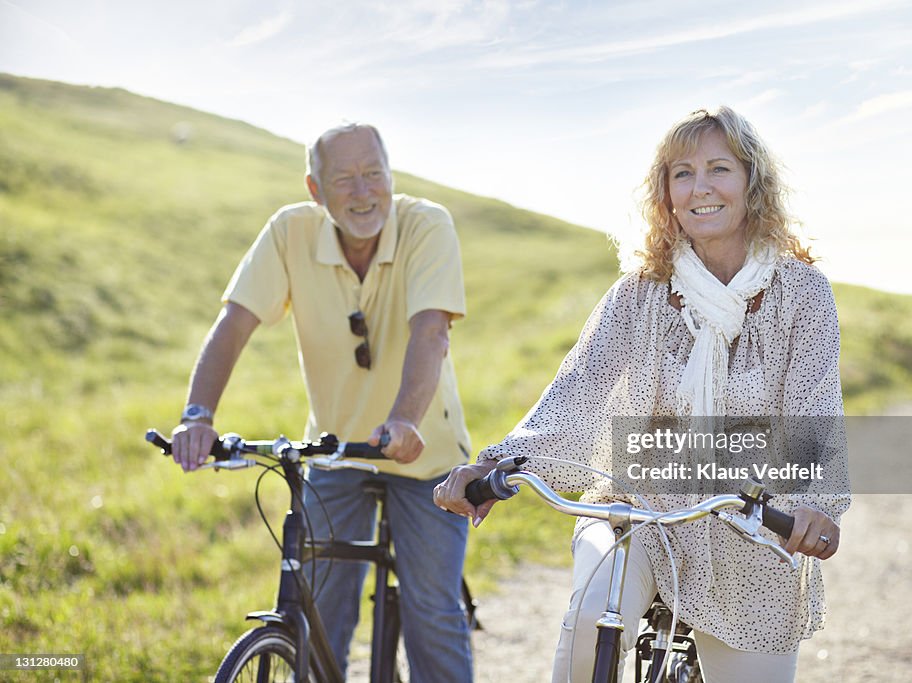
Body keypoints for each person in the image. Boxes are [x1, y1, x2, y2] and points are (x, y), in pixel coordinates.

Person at [434, 106, 850, 683]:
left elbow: (813, 410)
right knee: (588, 627)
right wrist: (497, 466)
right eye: (682, 173)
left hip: (751, 526)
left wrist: (816, 504)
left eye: (718, 169)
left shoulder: (801, 295)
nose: (700, 187)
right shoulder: (638, 294)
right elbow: (577, 390)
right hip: (640, 509)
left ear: (752, 183)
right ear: (667, 195)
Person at [171, 123, 474, 682]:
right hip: (337, 451)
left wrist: (405, 419)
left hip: (424, 453)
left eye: (373, 174)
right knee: (318, 611)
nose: (363, 192)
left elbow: (431, 332)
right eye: (344, 179)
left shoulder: (427, 225)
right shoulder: (289, 232)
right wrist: (198, 415)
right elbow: (234, 324)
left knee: (431, 615)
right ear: (316, 190)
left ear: (390, 175)